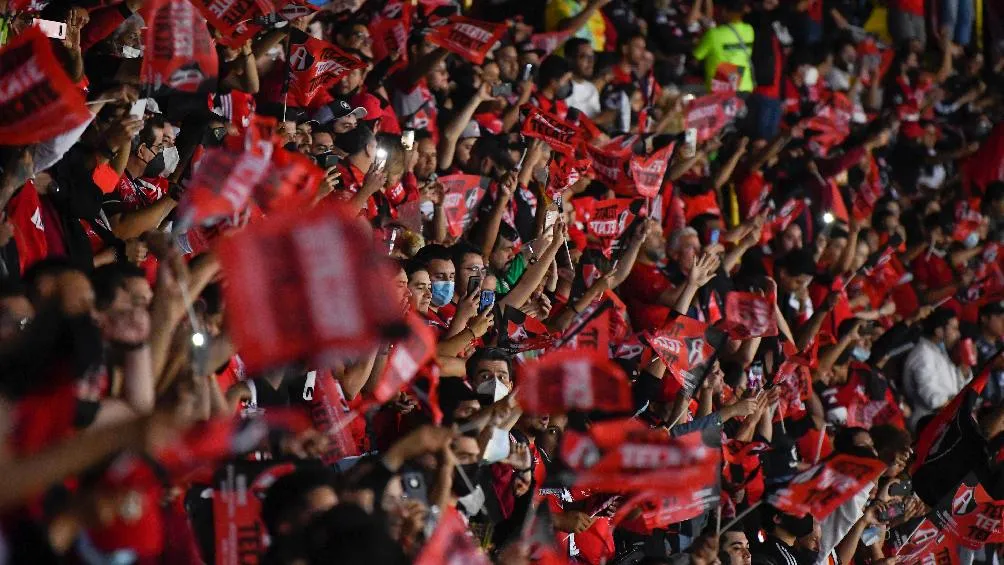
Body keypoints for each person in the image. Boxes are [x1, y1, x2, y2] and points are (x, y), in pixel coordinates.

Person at [903, 308, 967, 428]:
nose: (958, 334)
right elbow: (932, 397)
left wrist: (964, 370)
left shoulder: (939, 351)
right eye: (954, 329)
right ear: (938, 331)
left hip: (948, 416)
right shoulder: (923, 354)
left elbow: (957, 387)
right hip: (928, 421)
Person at [693, 0, 756, 93]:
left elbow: (696, 57)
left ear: (724, 11)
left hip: (721, 89)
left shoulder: (713, 34)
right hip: (744, 87)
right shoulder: (749, 30)